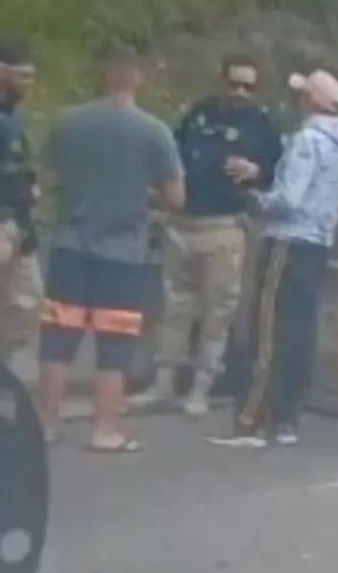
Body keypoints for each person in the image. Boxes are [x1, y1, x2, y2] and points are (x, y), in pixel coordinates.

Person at [35, 45, 185, 451]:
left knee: (57, 341)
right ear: (138, 75)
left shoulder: (68, 122)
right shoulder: (154, 132)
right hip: (123, 254)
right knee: (115, 345)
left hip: (69, 246)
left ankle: (46, 424)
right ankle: (105, 430)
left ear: (101, 73)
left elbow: (47, 179)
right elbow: (176, 197)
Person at [132, 54, 282, 417]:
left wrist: (256, 170)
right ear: (222, 82)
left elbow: (278, 174)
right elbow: (172, 157)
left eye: (248, 86)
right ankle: (164, 384)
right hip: (183, 223)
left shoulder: (263, 126)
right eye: (234, 83)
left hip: (225, 226)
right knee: (174, 309)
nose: (239, 92)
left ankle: (202, 387)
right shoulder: (199, 114)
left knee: (219, 311)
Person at [207, 69, 338, 447]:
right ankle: (287, 417)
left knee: (268, 328)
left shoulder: (306, 141)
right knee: (300, 330)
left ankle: (252, 418)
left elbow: (289, 199)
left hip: (287, 241)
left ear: (309, 101)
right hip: (318, 243)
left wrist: (255, 197)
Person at [0, 37, 43, 366]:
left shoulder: (15, 115)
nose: (29, 82)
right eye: (22, 75)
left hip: (19, 220)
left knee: (27, 301)